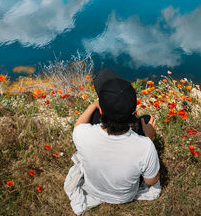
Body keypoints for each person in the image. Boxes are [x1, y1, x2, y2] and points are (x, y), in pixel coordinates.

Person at [64, 69, 161, 215]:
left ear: (102, 111)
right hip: (124, 196)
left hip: (94, 189)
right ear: (133, 111)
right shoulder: (145, 147)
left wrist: (94, 105)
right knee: (146, 120)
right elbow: (151, 181)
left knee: (93, 112)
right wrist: (150, 139)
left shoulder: (83, 134)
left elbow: (79, 125)